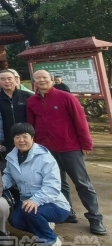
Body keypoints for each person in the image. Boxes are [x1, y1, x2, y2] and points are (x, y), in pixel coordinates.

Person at [27, 69, 104, 234]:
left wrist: (86, 143)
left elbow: (80, 121)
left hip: (70, 148)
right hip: (47, 150)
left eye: (44, 77)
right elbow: (31, 126)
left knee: (82, 183)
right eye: (37, 78)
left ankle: (95, 218)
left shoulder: (66, 97)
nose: (41, 80)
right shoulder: (32, 101)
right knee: (58, 183)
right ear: (34, 82)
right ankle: (68, 212)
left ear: (51, 79)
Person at [3, 123, 72, 246]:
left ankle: (51, 241)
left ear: (32, 137)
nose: (21, 140)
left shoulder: (45, 157)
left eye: (25, 136)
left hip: (54, 204)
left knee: (30, 211)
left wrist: (35, 200)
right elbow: (9, 176)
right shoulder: (12, 157)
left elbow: (52, 186)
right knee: (15, 220)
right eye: (17, 137)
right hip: (28, 202)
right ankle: (45, 228)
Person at [0, 70, 33, 153]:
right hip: (5, 140)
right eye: (3, 79)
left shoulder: (28, 96)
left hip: (26, 138)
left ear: (15, 79)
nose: (6, 81)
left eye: (9, 78)